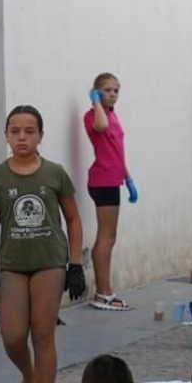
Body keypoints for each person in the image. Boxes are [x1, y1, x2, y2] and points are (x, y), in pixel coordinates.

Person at [0, 106, 86, 383]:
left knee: (43, 334)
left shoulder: (55, 173)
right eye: (15, 131)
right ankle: (29, 375)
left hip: (50, 262)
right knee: (12, 336)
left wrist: (75, 265)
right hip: (13, 265)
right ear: (6, 135)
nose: (22, 137)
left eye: (29, 131)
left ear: (40, 136)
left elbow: (73, 220)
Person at [84, 73, 135, 311]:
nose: (113, 94)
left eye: (116, 90)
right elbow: (100, 126)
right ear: (96, 92)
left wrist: (128, 177)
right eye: (106, 90)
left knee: (109, 237)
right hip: (102, 180)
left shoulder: (112, 115)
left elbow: (117, 149)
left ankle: (105, 290)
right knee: (106, 237)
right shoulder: (93, 115)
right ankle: (103, 293)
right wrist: (95, 101)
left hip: (114, 179)